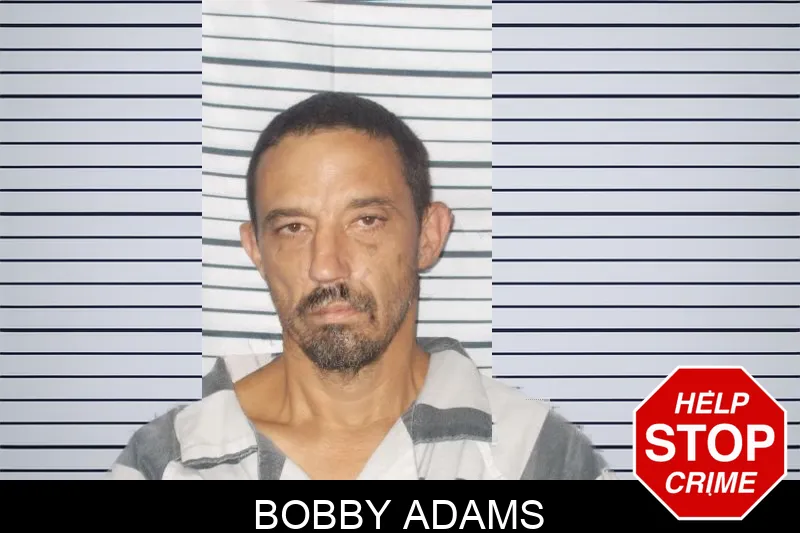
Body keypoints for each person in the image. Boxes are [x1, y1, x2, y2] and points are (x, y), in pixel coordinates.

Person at [106, 92, 615, 480]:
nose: (327, 267)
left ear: (428, 235)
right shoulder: (165, 461)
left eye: (366, 221)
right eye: (293, 228)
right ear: (256, 250)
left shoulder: (540, 458)